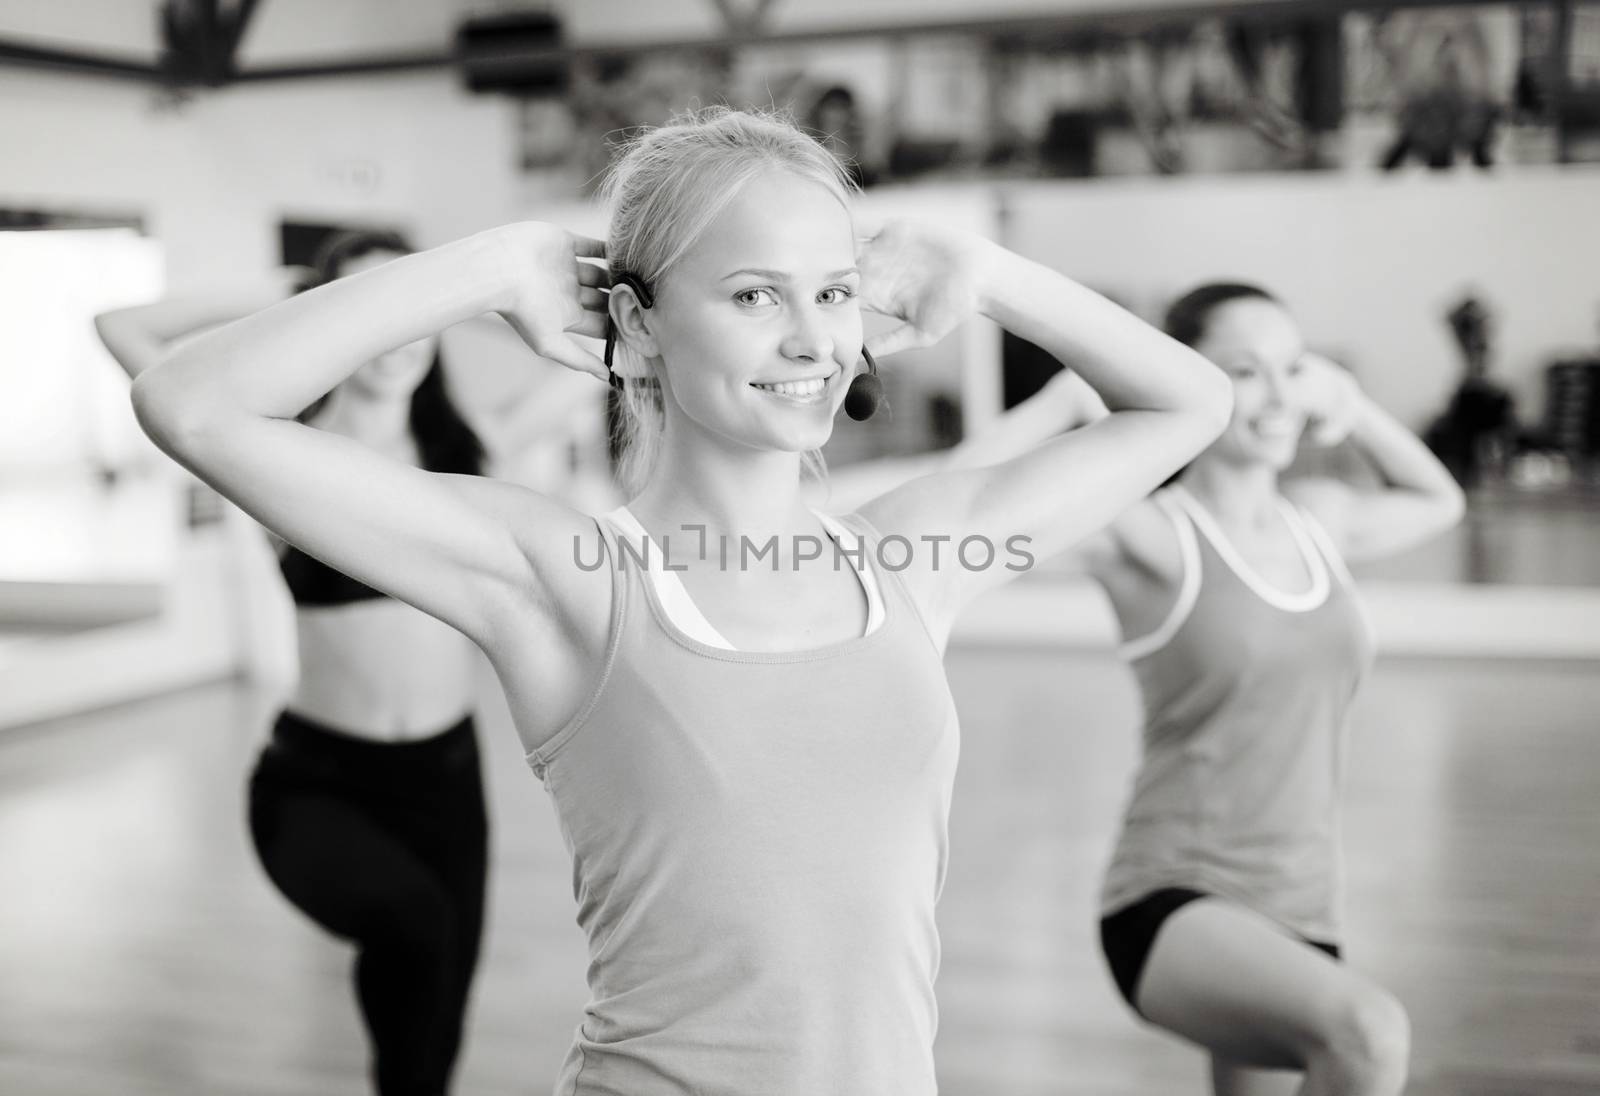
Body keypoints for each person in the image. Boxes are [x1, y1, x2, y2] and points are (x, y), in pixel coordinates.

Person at [129, 107, 1232, 1095]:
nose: (811, 341)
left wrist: (980, 271)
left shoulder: (909, 555)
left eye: (833, 292)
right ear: (639, 322)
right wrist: (496, 263)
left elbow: (1190, 402)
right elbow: (192, 405)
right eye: (755, 294)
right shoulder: (562, 575)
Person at [931, 282, 1463, 1095]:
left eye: (1293, 367)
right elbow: (954, 503)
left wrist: (1348, 403)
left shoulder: (1321, 520)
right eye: (1246, 371)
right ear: (1193, 383)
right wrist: (1068, 400)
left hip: (1305, 913)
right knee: (1369, 1032)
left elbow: (1440, 499)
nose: (1280, 394)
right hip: (1176, 901)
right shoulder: (1150, 536)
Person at [95, 229, 589, 1096]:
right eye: (376, 314)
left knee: (432, 1035)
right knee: (417, 928)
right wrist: (298, 288)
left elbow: (591, 358)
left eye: (415, 317)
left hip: (448, 785)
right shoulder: (279, 457)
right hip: (319, 787)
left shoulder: (473, 453)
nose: (400, 339)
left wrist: (472, 293)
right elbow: (124, 327)